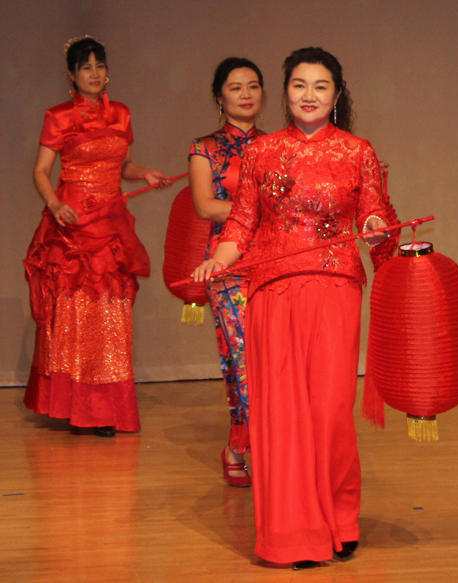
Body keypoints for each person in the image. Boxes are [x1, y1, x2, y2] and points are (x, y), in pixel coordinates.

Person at [193, 47, 398, 568]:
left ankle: (340, 517)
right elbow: (241, 222)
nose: (309, 95)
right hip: (272, 291)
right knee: (281, 417)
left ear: (336, 94)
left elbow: (375, 212)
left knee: (329, 413)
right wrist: (218, 259)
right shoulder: (260, 154)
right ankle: (294, 532)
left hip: (334, 290)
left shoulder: (358, 151)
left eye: (320, 86)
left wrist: (375, 228)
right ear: (286, 92)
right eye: (300, 85)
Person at [24, 36, 170, 437]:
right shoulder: (57, 116)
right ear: (72, 75)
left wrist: (146, 174)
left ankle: (103, 409)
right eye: (86, 67)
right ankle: (72, 406)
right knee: (73, 316)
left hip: (110, 222)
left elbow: (121, 166)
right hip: (72, 221)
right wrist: (54, 204)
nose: (94, 73)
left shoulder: (121, 113)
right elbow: (40, 171)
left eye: (99, 65)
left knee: (109, 317)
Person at [189, 58, 265, 487]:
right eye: (235, 87)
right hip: (227, 265)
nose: (246, 94)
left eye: (253, 86)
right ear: (220, 96)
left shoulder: (278, 145)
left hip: (274, 263)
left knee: (274, 362)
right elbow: (204, 206)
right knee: (243, 362)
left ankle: (242, 448)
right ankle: (254, 449)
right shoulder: (205, 148)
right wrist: (255, 214)